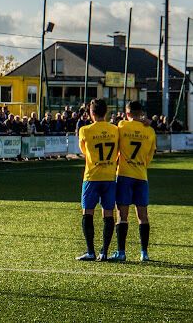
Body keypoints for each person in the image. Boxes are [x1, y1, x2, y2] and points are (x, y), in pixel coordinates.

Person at [109, 101, 156, 262]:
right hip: (141, 176)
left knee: (122, 214)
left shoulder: (122, 126)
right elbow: (150, 155)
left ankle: (121, 252)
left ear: (127, 114)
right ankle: (144, 253)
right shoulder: (149, 131)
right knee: (143, 215)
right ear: (141, 112)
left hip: (124, 175)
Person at [76, 99, 119, 262]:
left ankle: (90, 251)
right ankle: (104, 252)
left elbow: (84, 151)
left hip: (91, 177)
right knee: (108, 213)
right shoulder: (115, 130)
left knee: (88, 212)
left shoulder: (85, 130)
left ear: (91, 113)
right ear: (106, 112)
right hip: (109, 177)